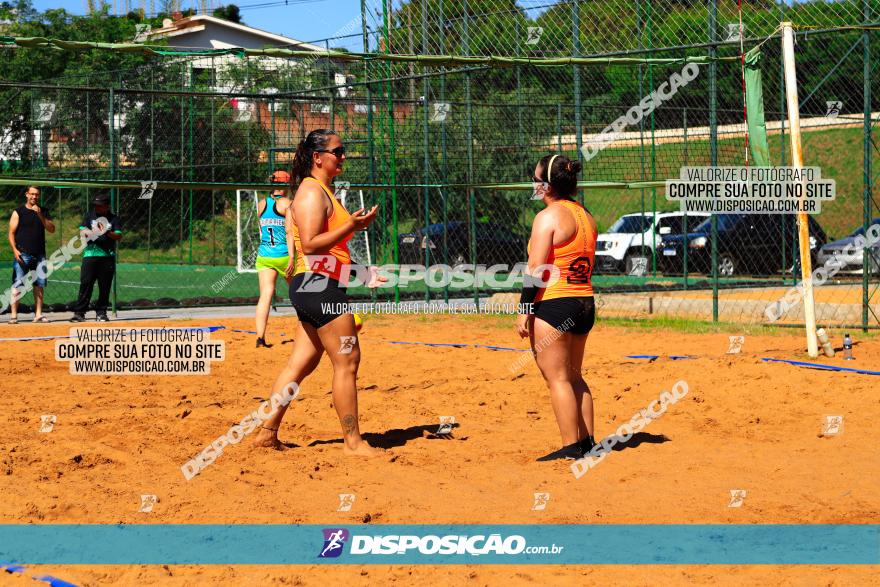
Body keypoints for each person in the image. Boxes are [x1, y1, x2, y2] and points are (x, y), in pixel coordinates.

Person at [253, 129, 381, 457]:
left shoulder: (321, 190)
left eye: (343, 150)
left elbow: (328, 246)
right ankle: (353, 443)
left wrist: (358, 266)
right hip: (318, 285)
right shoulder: (311, 192)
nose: (343, 156)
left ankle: (267, 432)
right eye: (338, 151)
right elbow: (310, 245)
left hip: (317, 284)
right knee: (348, 361)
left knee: (300, 364)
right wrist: (351, 225)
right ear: (317, 157)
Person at [516, 154, 598, 460]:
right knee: (575, 376)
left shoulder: (547, 217)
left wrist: (525, 308)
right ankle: (589, 443)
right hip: (584, 302)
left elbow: (536, 267)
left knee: (558, 379)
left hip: (555, 302)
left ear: (548, 186)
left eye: (536, 181)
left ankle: (570, 446)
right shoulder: (586, 215)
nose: (534, 185)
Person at [254, 170, 293, 348]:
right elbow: (290, 231)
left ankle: (260, 338)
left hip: (264, 256)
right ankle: (309, 334)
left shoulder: (262, 203)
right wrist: (292, 257)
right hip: (284, 255)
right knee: (302, 294)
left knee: (266, 295)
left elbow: (261, 227)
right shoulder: (287, 204)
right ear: (286, 185)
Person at [70, 194, 123, 322]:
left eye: (99, 206)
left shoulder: (114, 219)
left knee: (104, 286)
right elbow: (83, 232)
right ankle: (80, 313)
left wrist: (106, 231)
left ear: (106, 206)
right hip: (90, 255)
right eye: (95, 205)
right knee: (86, 284)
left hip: (107, 257)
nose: (96, 208)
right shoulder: (90, 216)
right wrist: (96, 233)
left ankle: (101, 313)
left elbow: (118, 236)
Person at [7, 185, 55, 323]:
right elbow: (11, 233)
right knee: (18, 284)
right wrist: (15, 250)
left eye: (37, 195)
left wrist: (40, 214)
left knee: (39, 285)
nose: (34, 197)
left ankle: (38, 314)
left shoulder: (44, 211)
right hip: (23, 254)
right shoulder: (18, 212)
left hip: (40, 255)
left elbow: (51, 229)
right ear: (27, 194)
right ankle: (13, 316)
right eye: (32, 194)